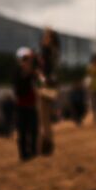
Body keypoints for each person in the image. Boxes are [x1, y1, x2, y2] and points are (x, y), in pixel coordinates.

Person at [13, 48, 40, 161]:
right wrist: (27, 75)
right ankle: (23, 154)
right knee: (22, 131)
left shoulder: (34, 74)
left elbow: (40, 82)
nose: (27, 64)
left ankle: (33, 151)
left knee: (34, 129)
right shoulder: (17, 74)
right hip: (22, 106)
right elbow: (17, 90)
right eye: (26, 62)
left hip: (32, 105)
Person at [37, 28, 60, 156]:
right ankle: (48, 145)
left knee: (43, 118)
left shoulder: (46, 52)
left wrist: (40, 82)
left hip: (46, 86)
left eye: (46, 36)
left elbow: (44, 72)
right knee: (46, 119)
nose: (44, 38)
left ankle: (46, 147)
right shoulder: (55, 51)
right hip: (53, 86)